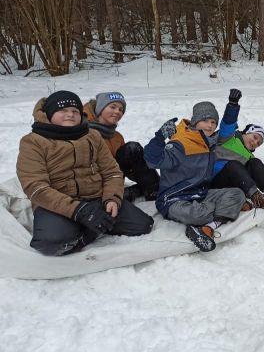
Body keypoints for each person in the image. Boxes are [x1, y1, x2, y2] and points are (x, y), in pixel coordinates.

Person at [16, 90, 153, 256]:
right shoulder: (33, 142)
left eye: (75, 111)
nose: (70, 114)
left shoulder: (92, 136)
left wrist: (112, 199)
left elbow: (112, 172)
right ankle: (84, 229)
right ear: (49, 114)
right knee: (50, 244)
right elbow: (35, 187)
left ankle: (88, 229)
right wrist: (79, 211)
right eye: (63, 110)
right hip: (58, 205)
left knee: (143, 225)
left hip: (96, 198)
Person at [144, 98, 246, 252]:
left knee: (237, 194)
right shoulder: (180, 144)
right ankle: (216, 216)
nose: (210, 125)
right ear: (195, 121)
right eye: (205, 121)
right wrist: (159, 138)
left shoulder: (209, 142)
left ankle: (208, 227)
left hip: (200, 194)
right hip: (173, 200)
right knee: (200, 214)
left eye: (213, 122)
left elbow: (226, 131)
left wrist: (232, 107)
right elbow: (152, 161)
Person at [210, 88, 264, 207]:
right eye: (255, 137)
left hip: (235, 184)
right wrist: (233, 105)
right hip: (216, 181)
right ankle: (256, 197)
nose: (255, 142)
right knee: (233, 165)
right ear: (246, 132)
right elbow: (228, 123)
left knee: (255, 162)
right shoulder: (229, 138)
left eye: (258, 143)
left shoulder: (250, 156)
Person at [83, 91, 160, 202]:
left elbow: (129, 167)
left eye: (120, 110)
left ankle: (154, 189)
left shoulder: (116, 136)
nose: (117, 112)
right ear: (100, 108)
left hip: (113, 179)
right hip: (91, 186)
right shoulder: (83, 132)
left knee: (132, 149)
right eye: (113, 107)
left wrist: (147, 180)